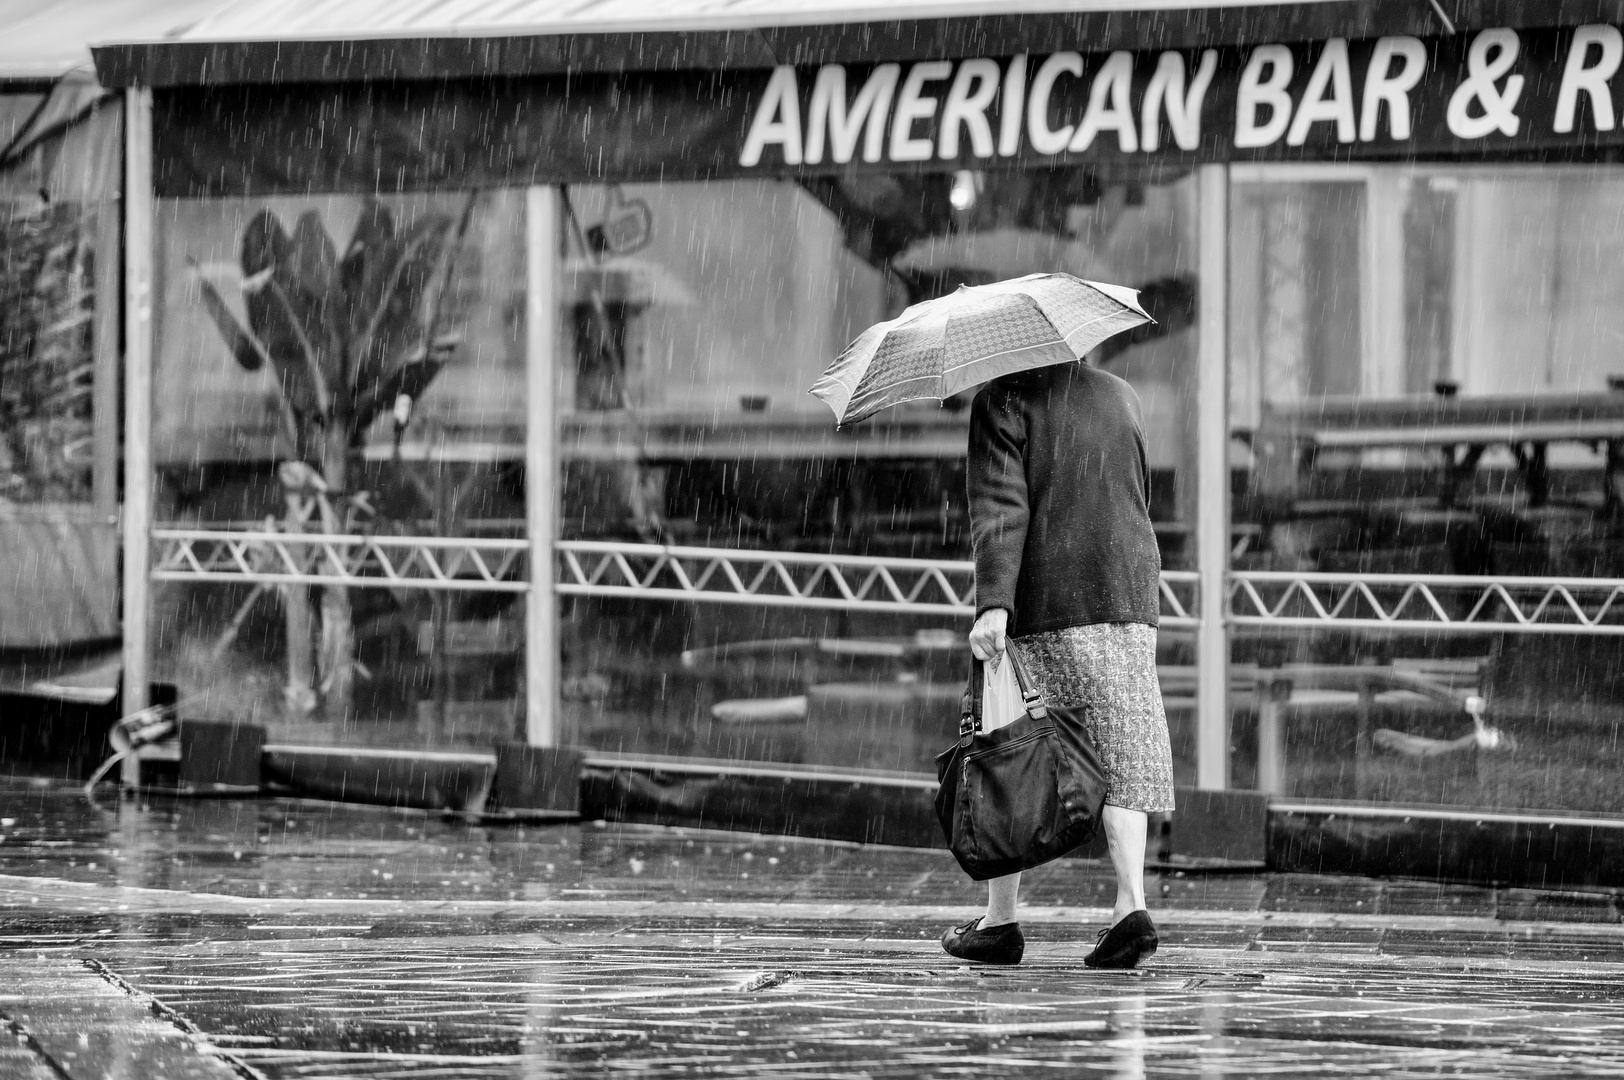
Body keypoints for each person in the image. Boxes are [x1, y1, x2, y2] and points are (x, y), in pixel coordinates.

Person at [940, 359, 1174, 969]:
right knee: (1124, 746)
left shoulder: (1004, 402)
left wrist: (994, 604)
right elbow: (1139, 492)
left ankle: (1001, 921)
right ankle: (1131, 907)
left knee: (1010, 744)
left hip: (1047, 596)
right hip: (1127, 594)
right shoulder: (1122, 395)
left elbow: (1000, 509)